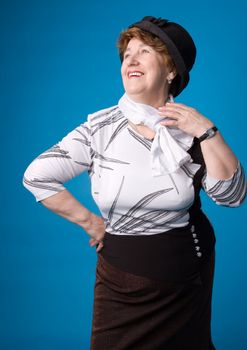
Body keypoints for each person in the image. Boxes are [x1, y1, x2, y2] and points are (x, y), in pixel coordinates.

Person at [23, 16, 246, 350]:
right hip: (121, 277)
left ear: (171, 71)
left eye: (144, 51)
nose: (132, 59)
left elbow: (231, 195)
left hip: (188, 274)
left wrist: (207, 130)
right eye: (127, 54)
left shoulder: (191, 129)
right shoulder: (99, 130)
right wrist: (92, 223)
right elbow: (37, 176)